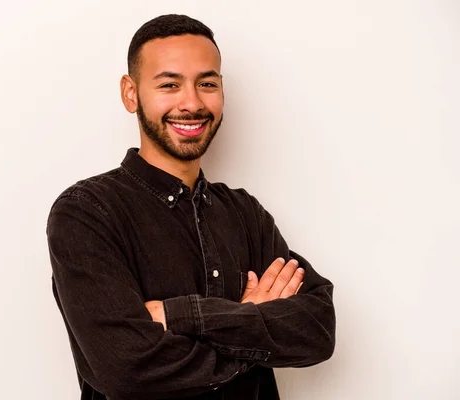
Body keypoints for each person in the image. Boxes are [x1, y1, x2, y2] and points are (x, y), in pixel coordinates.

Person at [46, 14, 335, 400]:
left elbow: (317, 330)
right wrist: (253, 325)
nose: (193, 103)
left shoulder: (244, 213)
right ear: (130, 93)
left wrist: (182, 317)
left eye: (207, 83)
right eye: (169, 84)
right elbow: (127, 370)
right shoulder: (86, 212)